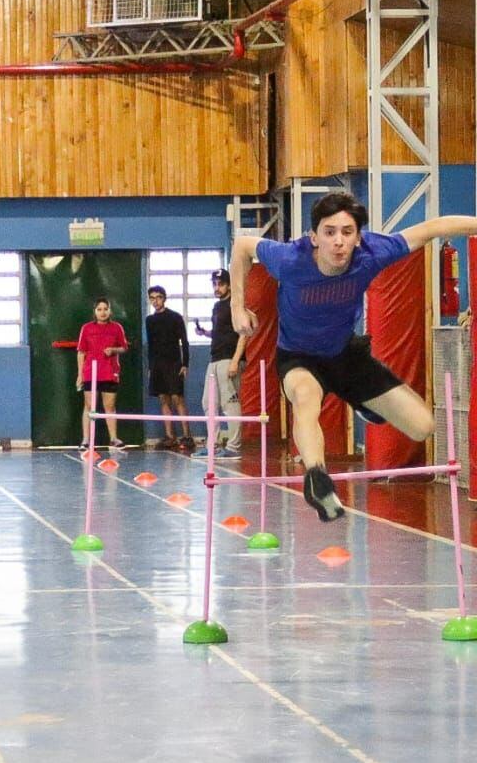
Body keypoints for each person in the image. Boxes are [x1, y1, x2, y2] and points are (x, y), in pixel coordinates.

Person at [231, 191, 477, 522]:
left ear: (358, 237)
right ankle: (317, 479)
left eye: (347, 232)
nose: (338, 242)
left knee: (422, 427)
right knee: (305, 399)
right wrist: (237, 307)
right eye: (329, 232)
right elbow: (243, 246)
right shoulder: (290, 259)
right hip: (299, 357)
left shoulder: (372, 253)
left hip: (346, 355)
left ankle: (363, 404)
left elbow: (434, 226)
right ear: (314, 236)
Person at [193, 269, 247, 460]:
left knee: (230, 403)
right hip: (214, 359)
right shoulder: (217, 307)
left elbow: (243, 333)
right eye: (214, 284)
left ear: (230, 285)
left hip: (229, 359)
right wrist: (205, 333)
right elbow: (220, 332)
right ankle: (212, 445)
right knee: (208, 402)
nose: (217, 287)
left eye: (221, 283)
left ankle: (233, 446)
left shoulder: (236, 306)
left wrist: (235, 360)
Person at [144, 285, 193, 450]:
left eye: (158, 297)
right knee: (163, 399)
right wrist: (151, 367)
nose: (155, 301)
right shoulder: (149, 320)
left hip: (174, 363)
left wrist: (185, 364)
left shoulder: (175, 317)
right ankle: (170, 436)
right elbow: (151, 345)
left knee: (177, 398)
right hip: (157, 364)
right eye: (152, 298)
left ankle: (187, 436)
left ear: (164, 298)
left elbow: (184, 342)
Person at [76, 296, 128, 451]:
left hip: (110, 372)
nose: (103, 312)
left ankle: (113, 438)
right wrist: (80, 374)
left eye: (105, 309)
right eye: (99, 309)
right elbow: (81, 352)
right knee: (89, 406)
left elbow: (124, 347)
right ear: (95, 312)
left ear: (110, 310)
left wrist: (113, 350)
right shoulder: (86, 328)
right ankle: (86, 439)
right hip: (90, 373)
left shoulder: (117, 328)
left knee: (109, 406)